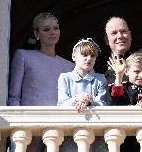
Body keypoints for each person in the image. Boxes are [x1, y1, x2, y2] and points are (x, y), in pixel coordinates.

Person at [7, 12, 75, 152]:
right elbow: (14, 95)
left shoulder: (70, 66)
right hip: (29, 124)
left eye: (55, 28)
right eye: (46, 29)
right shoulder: (23, 56)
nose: (52, 32)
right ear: (36, 33)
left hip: (59, 125)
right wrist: (17, 125)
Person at [57, 38, 108, 152]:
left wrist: (88, 102)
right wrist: (77, 99)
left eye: (92, 56)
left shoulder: (100, 79)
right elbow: (61, 104)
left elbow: (103, 104)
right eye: (84, 55)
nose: (88, 59)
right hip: (70, 129)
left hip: (94, 130)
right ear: (74, 57)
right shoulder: (65, 77)